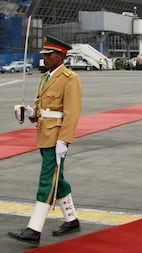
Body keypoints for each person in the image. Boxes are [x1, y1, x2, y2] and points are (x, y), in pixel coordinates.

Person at [8, 35, 83, 245]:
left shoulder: (70, 79)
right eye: (44, 55)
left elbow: (72, 112)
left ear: (61, 55)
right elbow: (43, 110)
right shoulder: (46, 77)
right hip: (44, 134)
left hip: (56, 137)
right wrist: (31, 112)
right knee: (57, 179)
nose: (45, 58)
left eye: (49, 55)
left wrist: (64, 140)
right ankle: (71, 219)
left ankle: (34, 229)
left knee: (47, 180)